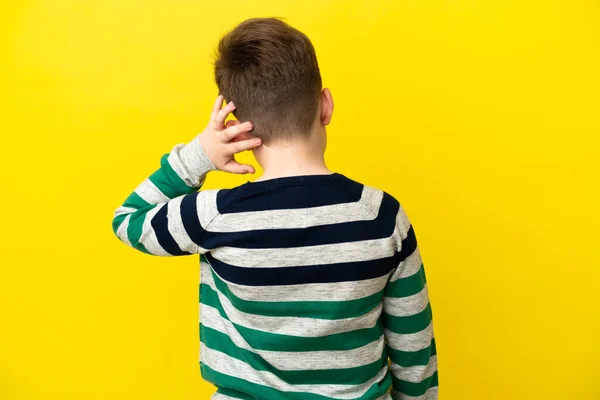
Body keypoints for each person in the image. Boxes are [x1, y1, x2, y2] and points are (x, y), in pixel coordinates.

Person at [112, 17, 438, 400]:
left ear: (240, 131)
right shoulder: (382, 216)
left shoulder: (216, 216)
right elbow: (414, 352)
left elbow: (128, 221)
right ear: (326, 106)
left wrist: (199, 156)